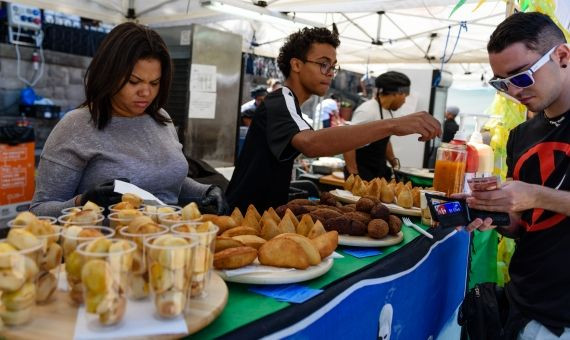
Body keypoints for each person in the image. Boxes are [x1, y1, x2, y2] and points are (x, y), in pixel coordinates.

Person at [226, 27, 441, 212]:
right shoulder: (280, 100)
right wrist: (393, 125)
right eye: (323, 64)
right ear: (296, 65)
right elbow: (311, 143)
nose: (330, 73)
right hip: (243, 215)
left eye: (333, 66)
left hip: (260, 212)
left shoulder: (290, 105)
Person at [30, 22, 228, 217]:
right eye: (134, 81)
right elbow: (39, 210)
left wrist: (205, 191)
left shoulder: (161, 118)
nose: (146, 92)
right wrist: (83, 202)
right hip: (105, 246)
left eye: (155, 82)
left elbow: (165, 178)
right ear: (109, 74)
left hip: (167, 243)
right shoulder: (76, 126)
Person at [459, 12, 570, 339]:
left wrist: (535, 195)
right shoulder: (521, 136)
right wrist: (494, 212)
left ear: (562, 57)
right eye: (501, 82)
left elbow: (537, 199)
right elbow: (526, 225)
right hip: (521, 302)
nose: (512, 91)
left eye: (521, 77)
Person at [343, 71, 410, 181]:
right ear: (395, 93)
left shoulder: (388, 111)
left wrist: (395, 165)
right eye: (404, 96)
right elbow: (347, 142)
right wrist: (354, 175)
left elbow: (385, 140)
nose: (404, 101)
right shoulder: (367, 111)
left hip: (379, 170)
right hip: (362, 171)